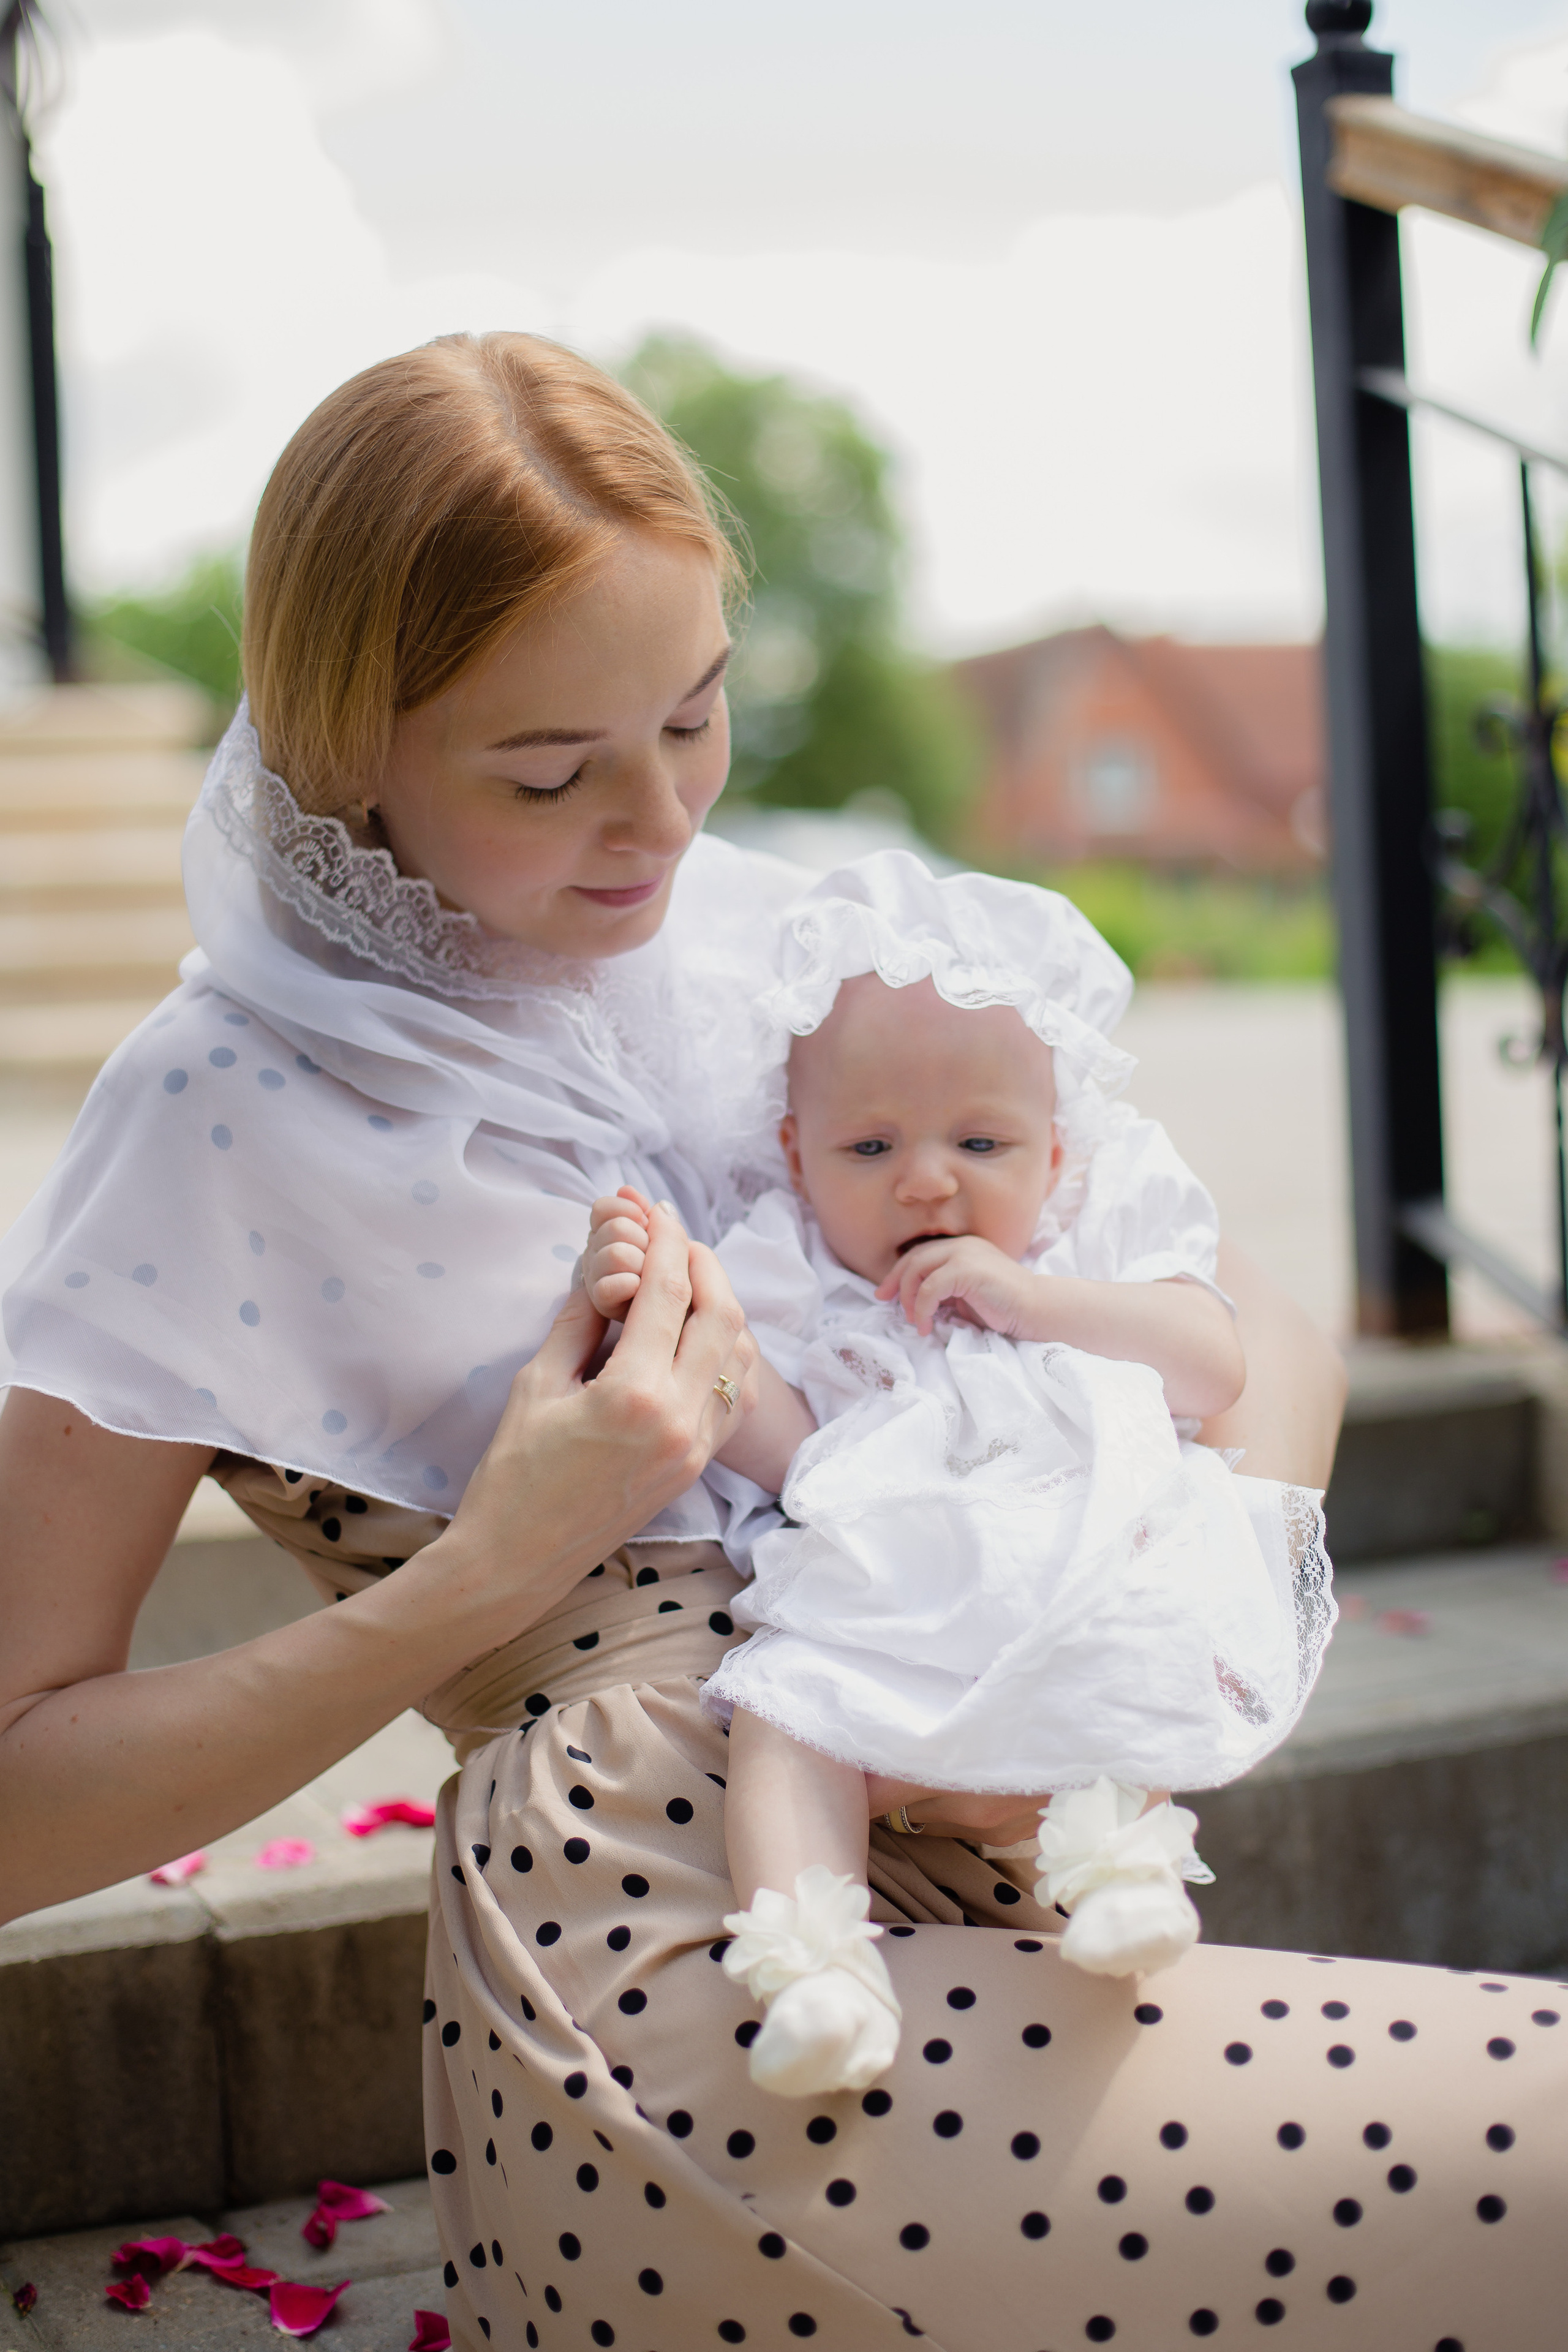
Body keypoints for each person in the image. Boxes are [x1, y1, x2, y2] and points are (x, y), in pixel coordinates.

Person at [0, 333, 1557, 2352]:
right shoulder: (210, 1113)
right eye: (550, 772)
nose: (656, 821)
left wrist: (1141, 1653)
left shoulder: (790, 954)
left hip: (1026, 1901)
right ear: (343, 746)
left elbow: (1254, 1330)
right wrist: (487, 1571)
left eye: (696, 714)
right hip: (672, 1977)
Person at [582, 853, 1335, 2098]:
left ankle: (1118, 1865)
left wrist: (1034, 1299)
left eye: (981, 1141)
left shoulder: (1089, 1240)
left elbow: (1212, 1366)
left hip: (1075, 1540)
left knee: (1137, 1624)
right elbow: (788, 1452)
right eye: (869, 1144)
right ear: (796, 1154)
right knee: (787, 1717)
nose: (927, 1178)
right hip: (883, 1582)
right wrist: (672, 1314)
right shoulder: (793, 1271)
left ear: (1055, 1148)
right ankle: (814, 1967)